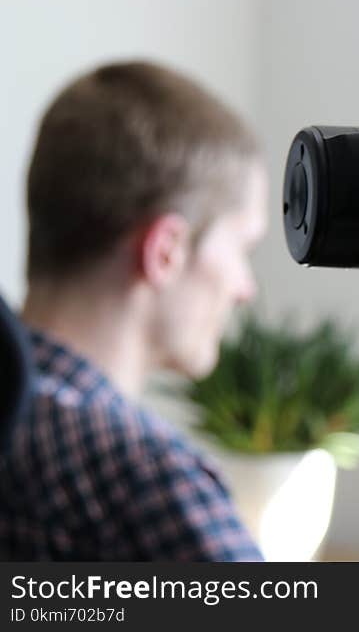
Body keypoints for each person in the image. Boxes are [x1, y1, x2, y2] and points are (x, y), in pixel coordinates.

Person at [0, 62, 268, 560]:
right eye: (241, 249)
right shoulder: (146, 476)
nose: (243, 287)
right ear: (166, 250)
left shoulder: (18, 424)